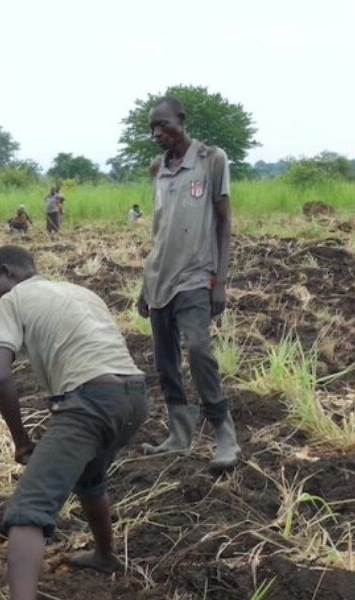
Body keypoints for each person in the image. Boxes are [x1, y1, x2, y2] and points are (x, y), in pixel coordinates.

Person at [0, 246, 147, 600]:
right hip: (134, 398)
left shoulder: (13, 300)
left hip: (90, 401)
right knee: (90, 477)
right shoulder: (80, 291)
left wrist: (22, 441)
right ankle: (105, 556)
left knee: (28, 511)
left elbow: (1, 378)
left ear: (7, 273)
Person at [138, 97, 239, 471]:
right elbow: (159, 232)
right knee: (165, 362)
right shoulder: (158, 170)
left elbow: (224, 223)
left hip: (196, 275)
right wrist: (144, 284)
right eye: (152, 128)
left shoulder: (211, 159)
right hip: (159, 277)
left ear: (182, 120)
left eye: (164, 125)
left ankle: (224, 433)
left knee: (198, 349)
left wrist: (219, 281)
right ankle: (179, 434)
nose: (157, 134)